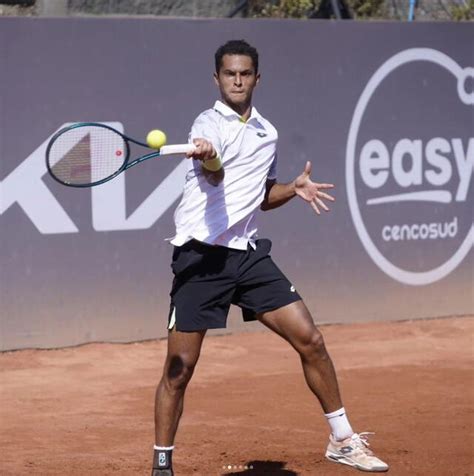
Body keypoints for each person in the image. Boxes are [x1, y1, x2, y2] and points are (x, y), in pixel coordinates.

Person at [151, 40, 388, 475]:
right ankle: (161, 465)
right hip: (201, 259)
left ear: (257, 79)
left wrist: (293, 190)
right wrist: (209, 154)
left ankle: (343, 440)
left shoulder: (267, 132)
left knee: (311, 340)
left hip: (247, 257)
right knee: (179, 369)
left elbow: (260, 195)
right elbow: (215, 169)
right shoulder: (208, 122)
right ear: (217, 79)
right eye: (229, 74)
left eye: (244, 74)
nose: (237, 80)